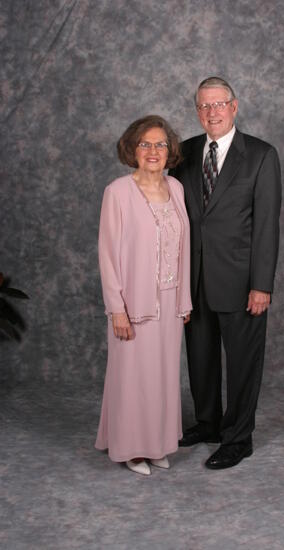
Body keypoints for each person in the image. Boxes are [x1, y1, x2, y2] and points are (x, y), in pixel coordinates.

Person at [169, 77, 281, 469]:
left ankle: (238, 439)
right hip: (194, 280)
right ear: (197, 110)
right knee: (200, 358)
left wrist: (261, 285)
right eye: (204, 106)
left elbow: (267, 226)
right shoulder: (183, 152)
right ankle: (208, 423)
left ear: (234, 107)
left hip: (241, 283)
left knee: (242, 363)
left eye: (219, 104)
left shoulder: (261, 156)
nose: (211, 112)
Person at [95, 115, 192, 476]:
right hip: (134, 304)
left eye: (160, 144)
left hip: (170, 302)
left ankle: (157, 444)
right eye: (145, 144)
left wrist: (184, 301)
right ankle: (131, 448)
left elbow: (184, 248)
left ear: (170, 151)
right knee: (133, 376)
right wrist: (116, 309)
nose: (153, 151)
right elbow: (107, 254)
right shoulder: (117, 192)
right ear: (132, 150)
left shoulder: (176, 189)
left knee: (164, 377)